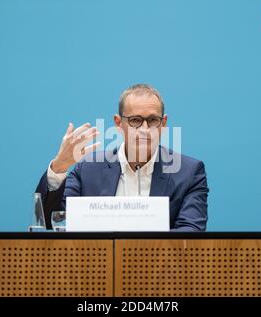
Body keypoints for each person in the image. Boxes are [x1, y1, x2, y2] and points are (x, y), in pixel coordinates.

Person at [35, 84, 209, 231]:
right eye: (135, 120)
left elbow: (190, 234)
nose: (145, 129)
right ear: (119, 123)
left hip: (158, 269)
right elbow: (53, 223)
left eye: (153, 120)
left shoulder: (189, 173)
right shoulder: (88, 169)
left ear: (163, 124)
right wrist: (59, 167)